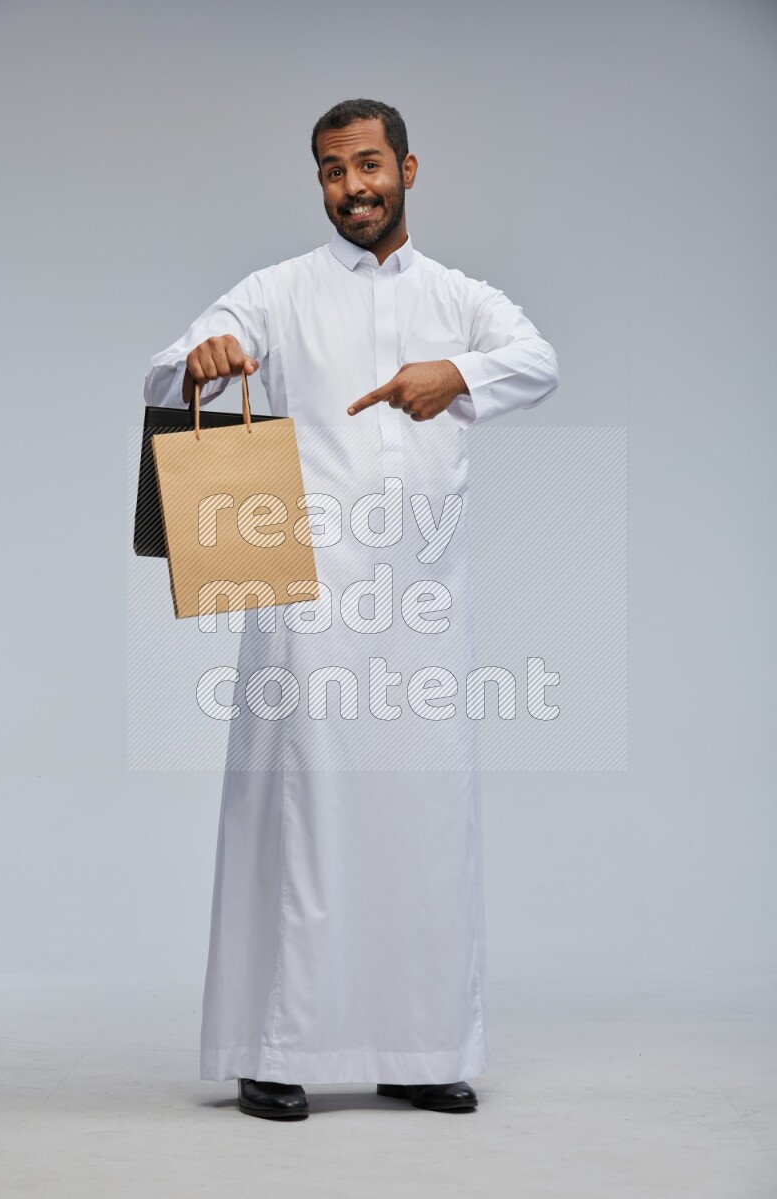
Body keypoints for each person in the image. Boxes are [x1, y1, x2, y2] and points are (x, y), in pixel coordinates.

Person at [143, 98, 559, 1120]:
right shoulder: (278, 291)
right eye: (331, 171)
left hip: (422, 606)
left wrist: (450, 372)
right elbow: (190, 349)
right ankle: (272, 1046)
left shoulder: (460, 299)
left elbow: (538, 361)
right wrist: (212, 353)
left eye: (367, 165)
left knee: (422, 826)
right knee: (300, 823)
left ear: (408, 170)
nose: (350, 188)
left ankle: (416, 1047)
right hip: (305, 601)